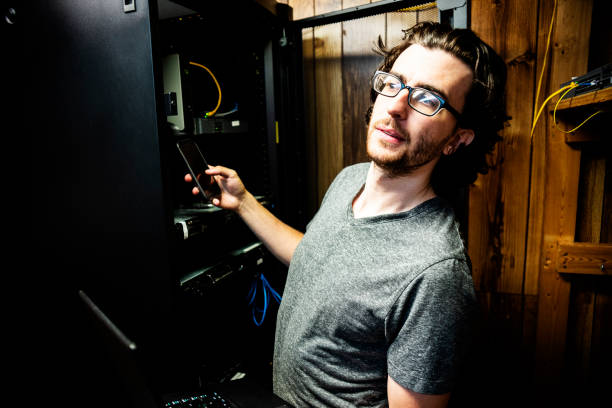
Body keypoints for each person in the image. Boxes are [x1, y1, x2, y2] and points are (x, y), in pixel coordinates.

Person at [186, 22, 507, 408]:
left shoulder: (434, 273)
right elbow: (317, 258)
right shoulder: (349, 179)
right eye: (394, 83)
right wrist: (243, 202)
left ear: (457, 138)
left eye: (428, 99)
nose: (396, 106)